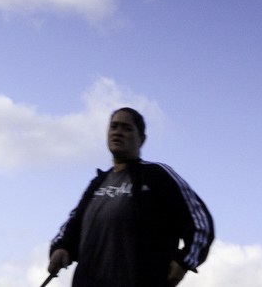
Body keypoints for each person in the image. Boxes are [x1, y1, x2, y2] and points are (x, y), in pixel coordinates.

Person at [47, 107, 213, 285]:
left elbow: (200, 223)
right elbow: (72, 226)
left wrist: (183, 261)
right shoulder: (97, 184)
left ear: (141, 139)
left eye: (127, 128)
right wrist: (61, 248)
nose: (118, 132)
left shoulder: (157, 176)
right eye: (114, 127)